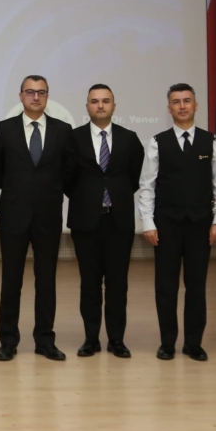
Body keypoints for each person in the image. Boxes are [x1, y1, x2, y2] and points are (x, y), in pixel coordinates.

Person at [139, 83, 216, 362]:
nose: (182, 106)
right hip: (166, 226)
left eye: (187, 100)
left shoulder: (211, 141)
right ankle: (167, 343)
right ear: (169, 108)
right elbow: (147, 186)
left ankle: (194, 343)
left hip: (200, 225)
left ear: (195, 105)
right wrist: (148, 223)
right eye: (176, 102)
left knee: (196, 285)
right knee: (165, 287)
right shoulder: (157, 142)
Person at [0, 75, 72, 362]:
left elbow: (69, 172)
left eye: (41, 92)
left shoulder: (63, 130)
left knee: (46, 281)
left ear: (47, 96)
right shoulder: (4, 129)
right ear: (21, 96)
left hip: (48, 217)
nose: (36, 97)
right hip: (14, 216)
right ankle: (8, 341)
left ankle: (45, 340)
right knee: (11, 281)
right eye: (30, 92)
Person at [64, 84, 145, 359]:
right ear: (87, 106)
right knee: (89, 283)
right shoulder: (73, 138)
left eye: (105, 101)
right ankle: (91, 339)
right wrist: (88, 197)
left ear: (114, 106)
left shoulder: (129, 138)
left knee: (117, 283)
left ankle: (116, 340)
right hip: (85, 222)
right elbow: (66, 178)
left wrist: (115, 196)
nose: (100, 105)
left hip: (119, 222)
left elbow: (136, 177)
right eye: (95, 101)